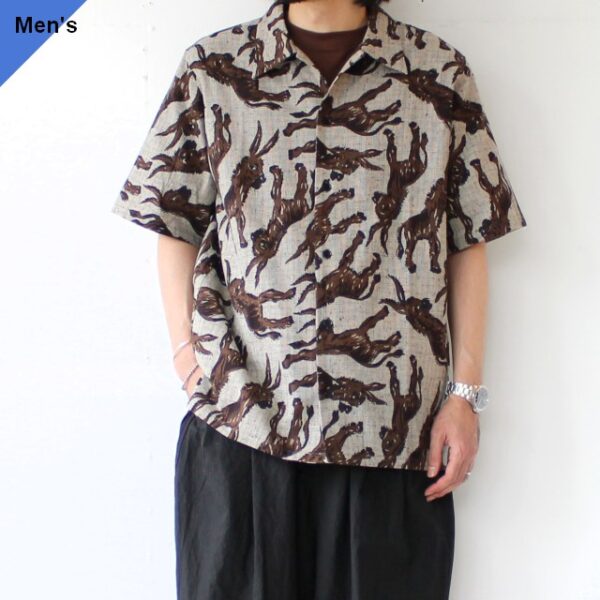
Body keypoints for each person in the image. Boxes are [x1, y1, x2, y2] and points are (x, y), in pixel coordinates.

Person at [111, 0, 527, 598]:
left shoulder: (437, 72)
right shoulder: (214, 69)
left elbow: (469, 241)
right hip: (243, 423)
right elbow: (172, 223)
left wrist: (465, 396)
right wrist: (187, 357)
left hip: (389, 434)